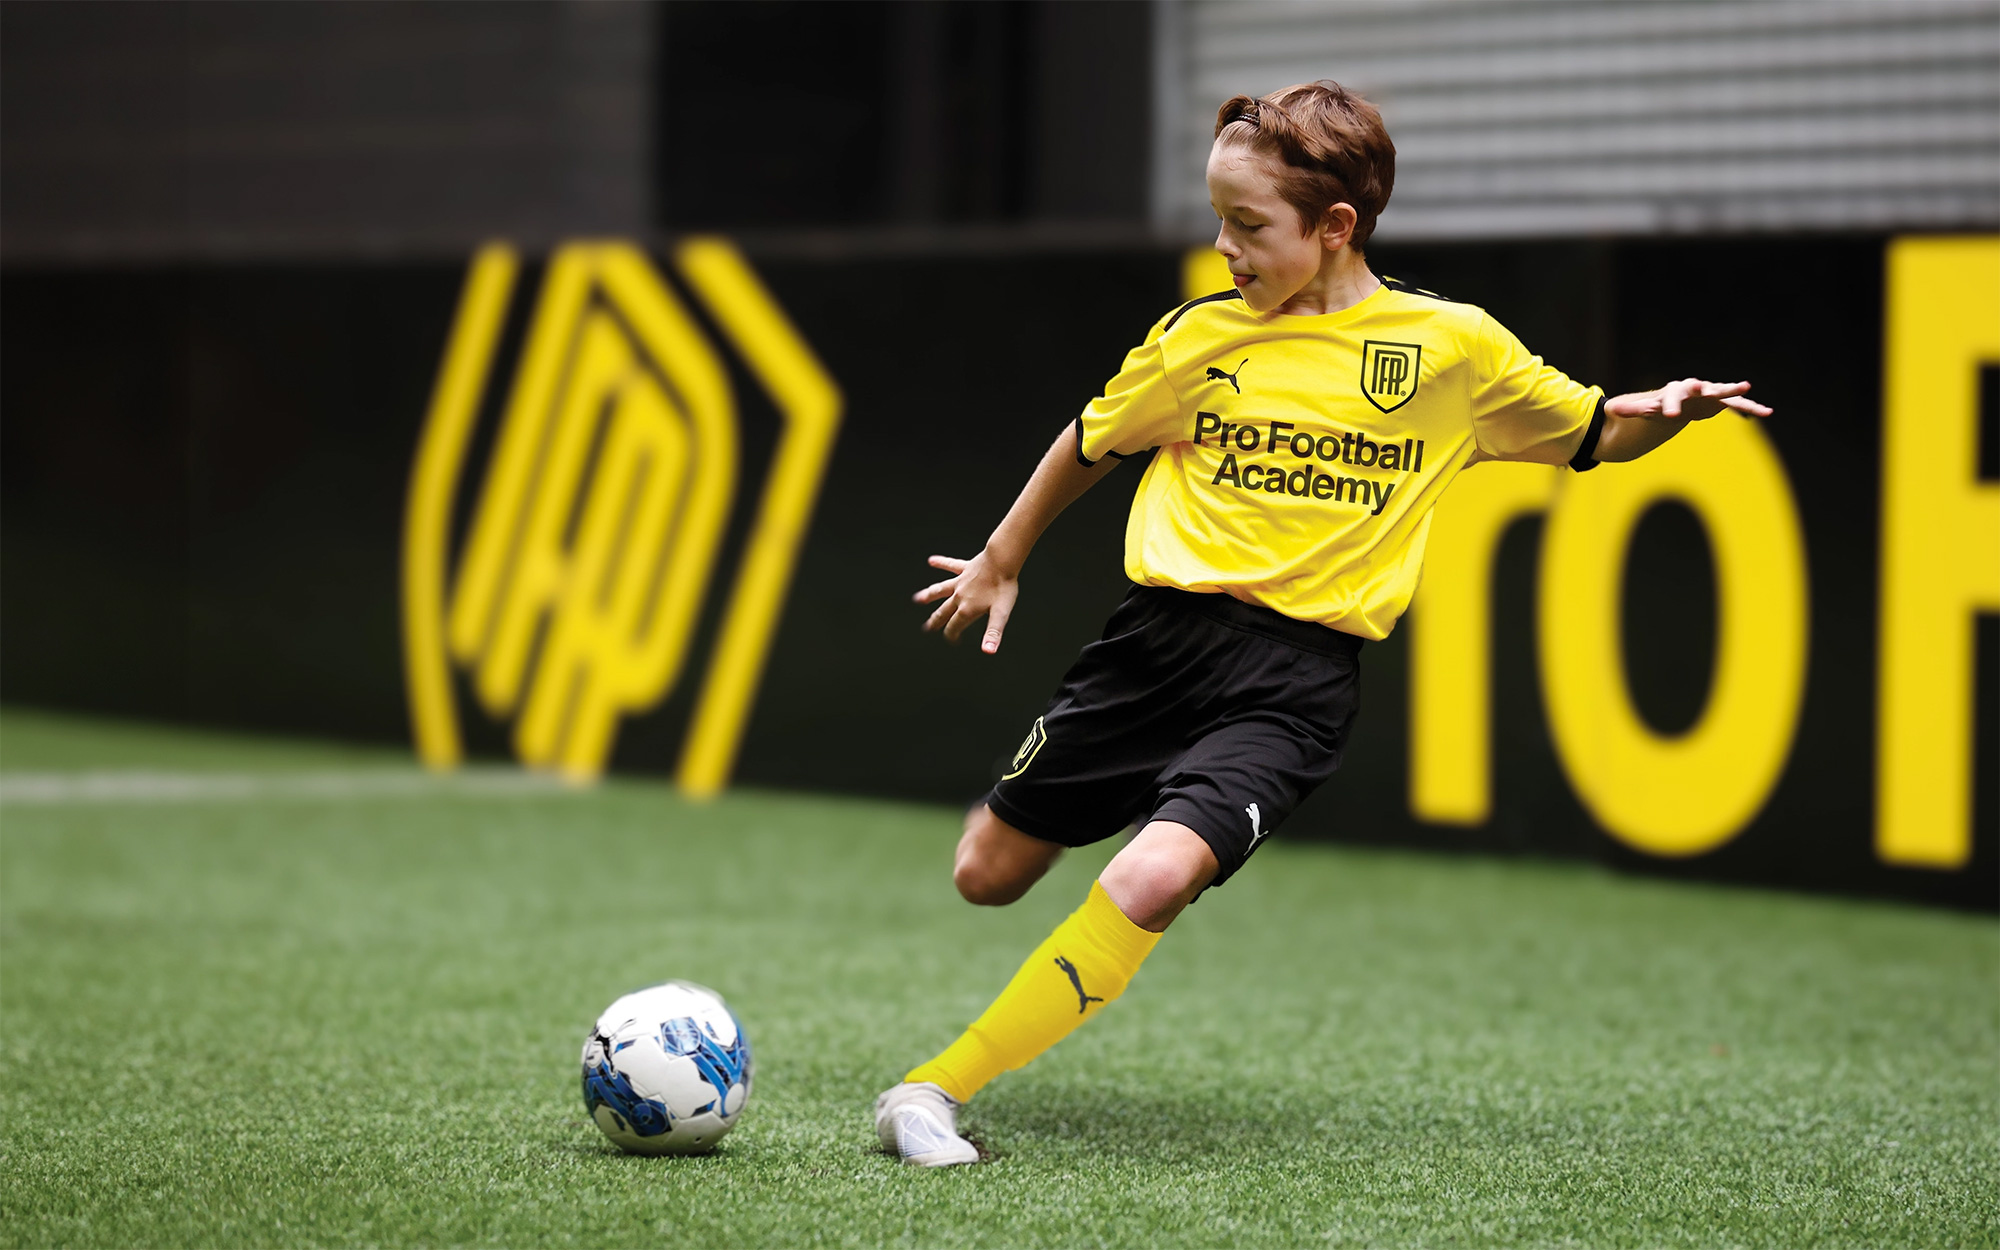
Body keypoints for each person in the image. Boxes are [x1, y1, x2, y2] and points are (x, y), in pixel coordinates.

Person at [873, 80, 1772, 1166]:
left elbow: (1590, 428)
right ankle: (1101, 809)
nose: (1223, 247)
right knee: (987, 870)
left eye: (1247, 226)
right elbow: (1089, 439)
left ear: (1335, 226)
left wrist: (1658, 418)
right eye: (1217, 222)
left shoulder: (1450, 349)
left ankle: (930, 1089)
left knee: (1151, 876)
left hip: (1295, 682)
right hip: (1151, 649)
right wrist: (1002, 557)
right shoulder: (1198, 339)